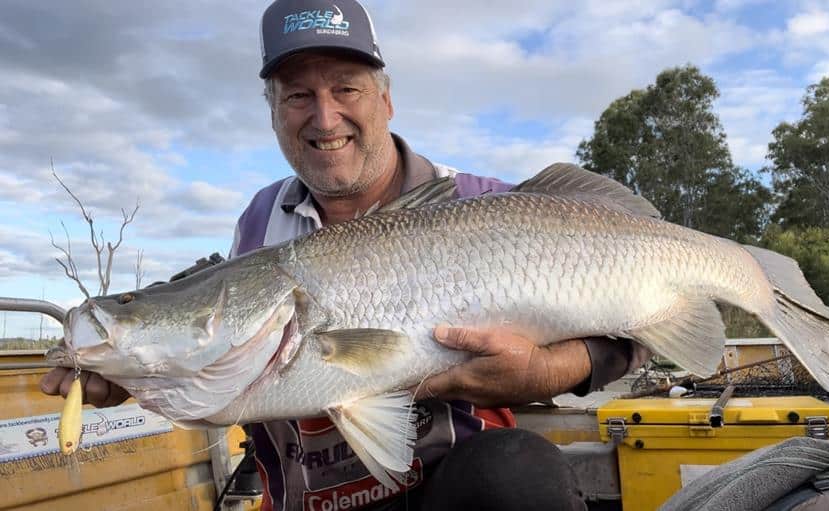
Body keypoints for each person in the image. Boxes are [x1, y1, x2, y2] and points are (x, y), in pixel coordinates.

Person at [41, 1, 648, 509]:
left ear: (386, 99)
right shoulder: (258, 220)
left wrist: (551, 371)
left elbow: (641, 324)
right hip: (309, 496)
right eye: (298, 95)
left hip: (461, 487)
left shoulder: (482, 205)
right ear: (274, 113)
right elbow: (229, 361)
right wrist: (138, 370)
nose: (325, 117)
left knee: (517, 473)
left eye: (346, 88)